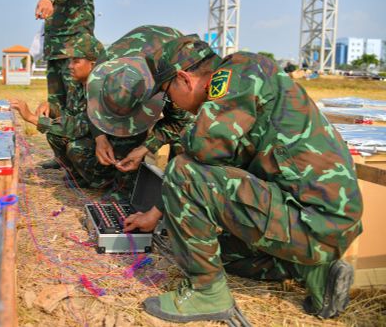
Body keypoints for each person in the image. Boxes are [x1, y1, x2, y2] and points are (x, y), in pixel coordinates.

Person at [91, 35, 362, 322]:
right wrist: (156, 215)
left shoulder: (238, 71)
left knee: (182, 168)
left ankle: (207, 294)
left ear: (184, 78)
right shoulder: (236, 100)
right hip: (315, 225)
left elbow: (201, 151)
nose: (175, 105)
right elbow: (221, 168)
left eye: (169, 95)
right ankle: (314, 269)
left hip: (313, 221)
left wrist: (179, 136)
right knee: (220, 253)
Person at [11, 35, 123, 190]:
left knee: (75, 146)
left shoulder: (101, 90)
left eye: (75, 61)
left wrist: (30, 117)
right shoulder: (80, 85)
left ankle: (102, 181)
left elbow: (77, 127)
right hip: (92, 139)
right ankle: (78, 176)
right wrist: (51, 107)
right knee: (54, 134)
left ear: (92, 64)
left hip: (112, 153)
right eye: (69, 61)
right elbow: (70, 114)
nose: (70, 66)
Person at [86, 25, 197, 174]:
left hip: (172, 55)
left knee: (185, 139)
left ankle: (176, 181)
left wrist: (146, 148)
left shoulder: (174, 82)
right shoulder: (103, 68)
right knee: (124, 136)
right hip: (143, 49)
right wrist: (99, 137)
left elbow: (179, 121)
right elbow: (92, 101)